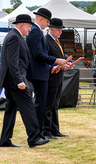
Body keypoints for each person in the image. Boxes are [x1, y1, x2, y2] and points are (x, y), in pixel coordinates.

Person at [0, 14, 49, 148]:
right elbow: (12, 62)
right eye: (29, 27)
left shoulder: (15, 36)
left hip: (11, 80)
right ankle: (34, 138)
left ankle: (5, 140)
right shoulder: (15, 37)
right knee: (29, 108)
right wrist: (19, 81)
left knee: (10, 109)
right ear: (22, 25)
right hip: (15, 81)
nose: (30, 29)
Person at [26, 8, 69, 138]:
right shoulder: (36, 33)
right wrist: (56, 61)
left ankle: (47, 131)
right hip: (42, 73)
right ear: (42, 19)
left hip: (45, 73)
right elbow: (39, 54)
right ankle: (42, 132)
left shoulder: (38, 32)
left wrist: (61, 62)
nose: (47, 24)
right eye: (47, 22)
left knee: (49, 104)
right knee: (44, 105)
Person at [44, 18, 72, 139]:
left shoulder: (56, 41)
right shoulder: (47, 40)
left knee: (55, 104)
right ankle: (47, 131)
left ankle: (55, 130)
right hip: (52, 76)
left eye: (61, 30)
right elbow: (46, 57)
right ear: (51, 29)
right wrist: (58, 64)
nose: (60, 33)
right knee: (49, 105)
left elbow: (60, 56)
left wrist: (67, 62)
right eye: (59, 30)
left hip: (58, 75)